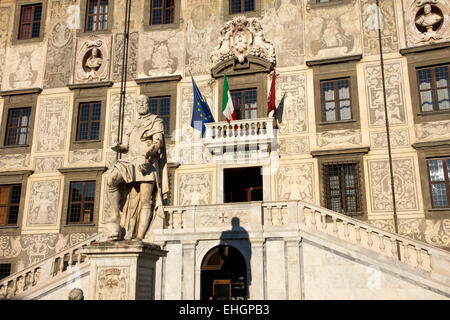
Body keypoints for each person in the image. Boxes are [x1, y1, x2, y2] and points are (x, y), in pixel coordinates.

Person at [105, 95, 169, 241]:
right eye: (138, 102)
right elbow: (125, 147)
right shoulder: (132, 124)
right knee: (111, 180)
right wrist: (117, 147)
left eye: (144, 102)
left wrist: (148, 153)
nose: (141, 104)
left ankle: (139, 236)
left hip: (147, 163)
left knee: (146, 200)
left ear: (148, 104)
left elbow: (158, 142)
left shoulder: (155, 120)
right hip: (130, 161)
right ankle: (116, 214)